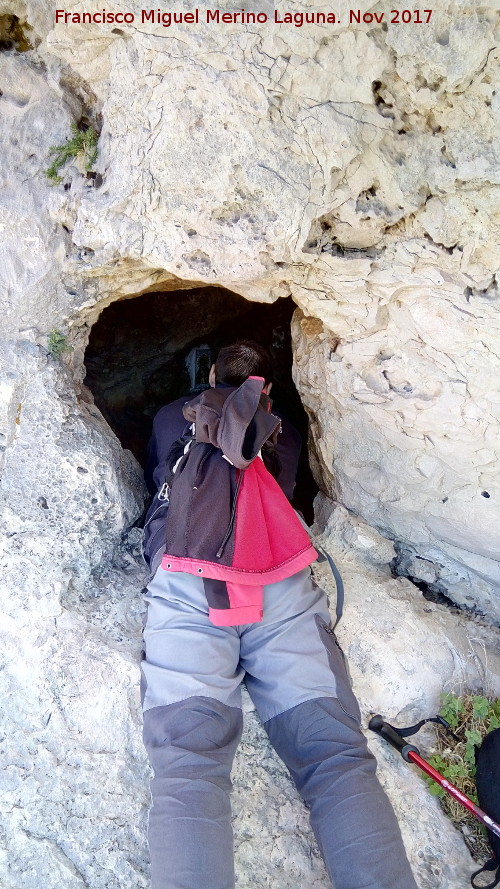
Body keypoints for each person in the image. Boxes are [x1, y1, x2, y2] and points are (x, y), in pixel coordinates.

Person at [141, 340, 418, 889]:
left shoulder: (174, 415)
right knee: (335, 760)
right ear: (266, 390)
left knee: (189, 769)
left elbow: (157, 477)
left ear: (213, 373)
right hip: (279, 585)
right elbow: (285, 489)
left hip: (188, 579)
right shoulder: (281, 430)